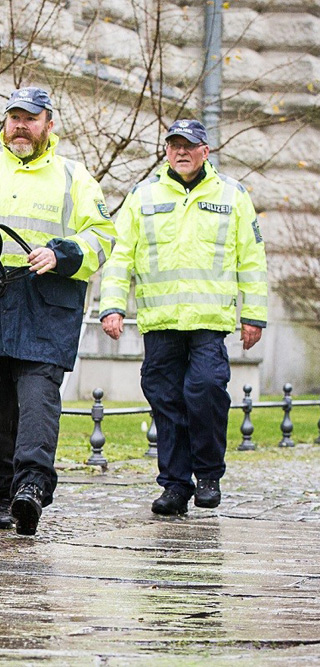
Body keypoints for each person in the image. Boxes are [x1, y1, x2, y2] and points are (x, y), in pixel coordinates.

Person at [0, 87, 116, 536]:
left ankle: (30, 487)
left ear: (49, 124)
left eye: (30, 118)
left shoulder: (75, 178)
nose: (20, 125)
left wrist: (63, 255)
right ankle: (0, 494)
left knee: (37, 400)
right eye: (13, 117)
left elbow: (102, 234)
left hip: (47, 301)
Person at [98, 119, 268, 516]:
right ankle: (175, 485)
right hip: (160, 322)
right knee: (166, 401)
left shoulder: (232, 195)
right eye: (174, 145)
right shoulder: (143, 195)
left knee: (206, 390)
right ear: (167, 151)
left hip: (210, 322)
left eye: (188, 145)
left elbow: (252, 259)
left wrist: (254, 316)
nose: (180, 152)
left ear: (205, 151)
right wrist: (112, 306)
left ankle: (208, 474)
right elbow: (121, 256)